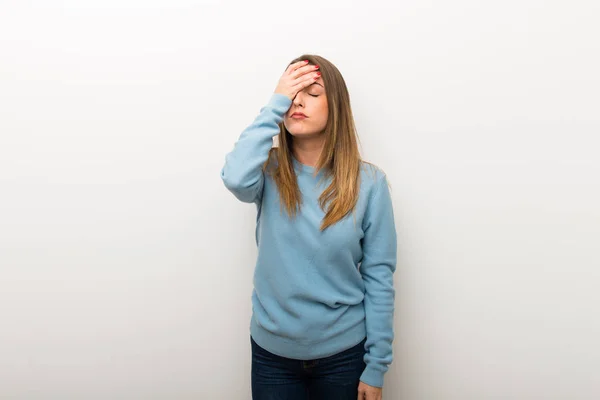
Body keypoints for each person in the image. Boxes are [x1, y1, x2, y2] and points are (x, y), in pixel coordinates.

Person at [220, 54, 397, 400]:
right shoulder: (267, 172)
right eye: (291, 94)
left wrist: (376, 366)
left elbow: (380, 278)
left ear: (337, 108)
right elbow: (235, 177)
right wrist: (275, 104)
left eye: (312, 93)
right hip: (272, 357)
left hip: (344, 358)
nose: (297, 101)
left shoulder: (370, 184)